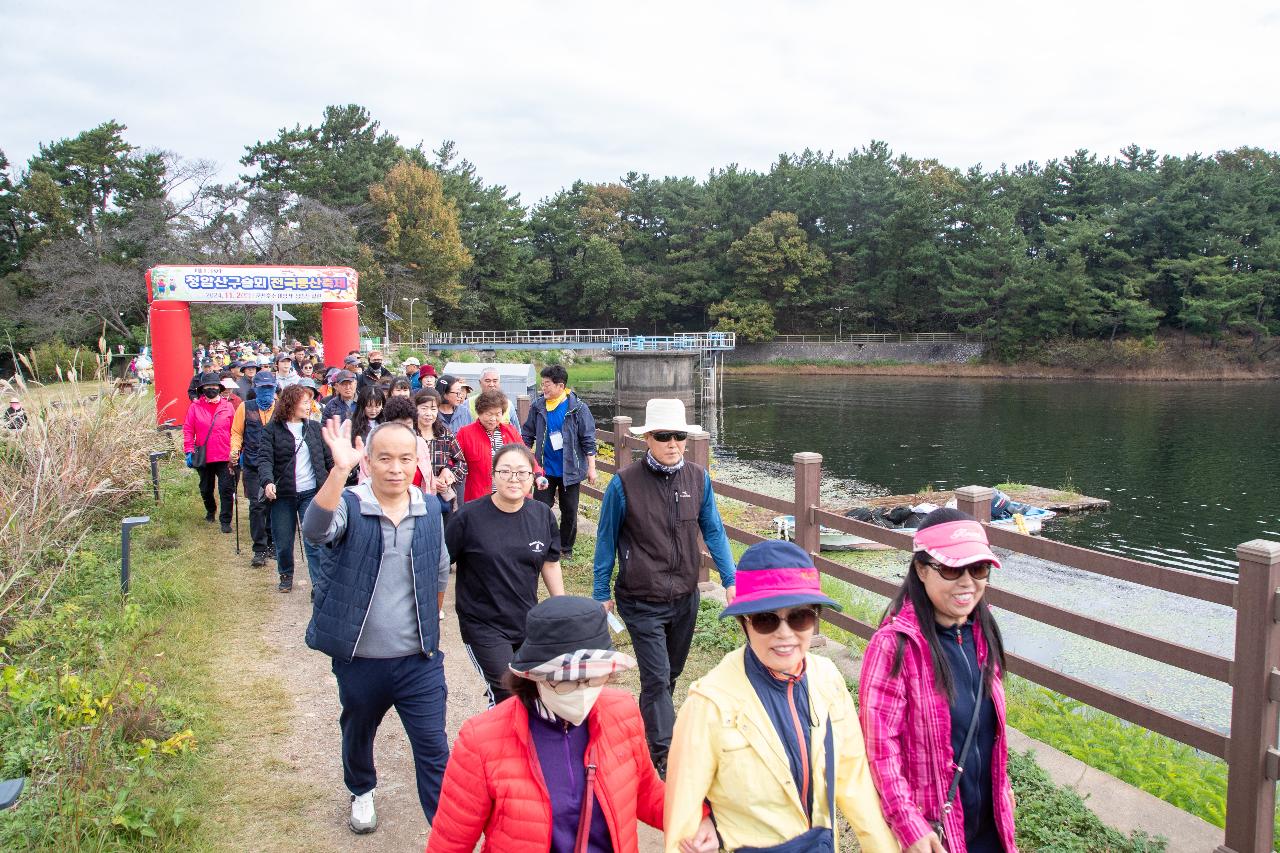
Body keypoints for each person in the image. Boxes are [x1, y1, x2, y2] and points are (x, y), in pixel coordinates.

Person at [427, 596, 719, 853]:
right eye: (566, 683)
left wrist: (698, 817)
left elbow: (645, 791)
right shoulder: (482, 741)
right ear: (533, 676)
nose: (582, 692)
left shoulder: (623, 712)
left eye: (593, 678)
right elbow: (450, 843)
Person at [664, 540, 900, 852]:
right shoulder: (709, 703)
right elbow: (683, 819)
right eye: (766, 620)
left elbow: (855, 780)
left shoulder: (827, 679)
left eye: (800, 617)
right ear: (744, 623)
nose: (785, 634)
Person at [302, 417, 451, 834]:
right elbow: (315, 531)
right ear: (367, 461)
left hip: (418, 660)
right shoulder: (350, 502)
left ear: (417, 460)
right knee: (358, 730)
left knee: (435, 749)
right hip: (361, 658)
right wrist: (337, 470)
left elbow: (439, 569)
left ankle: (446, 834)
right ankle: (361, 788)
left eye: (405, 458)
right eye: (384, 458)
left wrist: (429, 626)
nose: (395, 468)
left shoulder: (429, 507)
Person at [592, 398, 736, 775]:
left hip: (684, 596)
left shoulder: (697, 478)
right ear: (648, 439)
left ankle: (646, 730)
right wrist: (599, 593)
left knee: (668, 675)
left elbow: (714, 531)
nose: (673, 443)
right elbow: (606, 540)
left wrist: (731, 578)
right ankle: (666, 758)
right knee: (656, 677)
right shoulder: (624, 485)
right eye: (664, 436)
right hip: (640, 598)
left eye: (679, 436)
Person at [859, 508, 1017, 853]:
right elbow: (880, 749)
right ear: (921, 569)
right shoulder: (894, 646)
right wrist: (908, 824)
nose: (967, 583)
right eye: (950, 568)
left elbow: (989, 734)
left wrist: (1003, 789)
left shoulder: (983, 631)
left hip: (992, 830)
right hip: (936, 836)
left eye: (978, 569)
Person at [445, 443, 563, 706]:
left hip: (526, 621)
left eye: (522, 473)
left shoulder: (541, 515)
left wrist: (561, 610)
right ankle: (496, 743)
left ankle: (517, 742)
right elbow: (440, 565)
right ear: (494, 475)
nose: (514, 479)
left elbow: (550, 563)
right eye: (506, 471)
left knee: (536, 692)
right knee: (507, 693)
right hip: (483, 624)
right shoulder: (468, 517)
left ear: (533, 477)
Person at [256, 384, 333, 593]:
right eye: (305, 402)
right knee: (283, 539)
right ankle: (286, 574)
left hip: (310, 492)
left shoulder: (315, 429)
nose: (309, 406)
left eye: (310, 402)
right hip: (283, 494)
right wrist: (267, 481)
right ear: (291, 403)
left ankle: (317, 585)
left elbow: (326, 460)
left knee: (314, 540)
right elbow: (264, 459)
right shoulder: (272, 429)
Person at [522, 364, 598, 558]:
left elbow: (588, 439)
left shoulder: (578, 408)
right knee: (540, 509)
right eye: (543, 384)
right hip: (544, 469)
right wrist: (522, 458)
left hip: (570, 470)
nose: (543, 388)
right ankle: (541, 544)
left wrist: (592, 468)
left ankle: (565, 548)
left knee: (570, 511)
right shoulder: (538, 406)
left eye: (547, 384)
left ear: (560, 385)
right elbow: (527, 434)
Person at [455, 390, 541, 503]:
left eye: (498, 414)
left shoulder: (510, 431)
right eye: (489, 414)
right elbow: (454, 459)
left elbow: (525, 456)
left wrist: (538, 474)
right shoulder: (465, 433)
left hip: (508, 495)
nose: (493, 419)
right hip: (478, 497)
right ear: (479, 413)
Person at [230, 370, 277, 567]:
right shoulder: (245, 407)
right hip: (252, 464)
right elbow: (237, 432)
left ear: (274, 388)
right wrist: (234, 450)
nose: (266, 391)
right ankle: (259, 548)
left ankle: (273, 543)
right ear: (255, 388)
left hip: (277, 465)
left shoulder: (282, 408)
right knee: (257, 506)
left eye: (269, 388)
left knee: (274, 505)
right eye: (262, 388)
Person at [182, 372, 236, 532]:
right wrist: (189, 450)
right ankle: (210, 510)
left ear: (219, 388)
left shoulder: (228, 407)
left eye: (214, 386)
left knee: (226, 489)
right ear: (202, 389)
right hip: (204, 455)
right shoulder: (195, 407)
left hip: (224, 454)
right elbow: (188, 429)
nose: (211, 389)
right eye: (207, 386)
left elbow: (236, 430)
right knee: (206, 488)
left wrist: (237, 450)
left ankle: (225, 520)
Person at [413, 389, 465, 513]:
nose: (429, 413)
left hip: (442, 497)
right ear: (415, 409)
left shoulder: (444, 433)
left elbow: (461, 463)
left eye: (433, 409)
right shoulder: (409, 434)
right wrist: (429, 481)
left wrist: (449, 476)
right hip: (415, 496)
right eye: (424, 408)